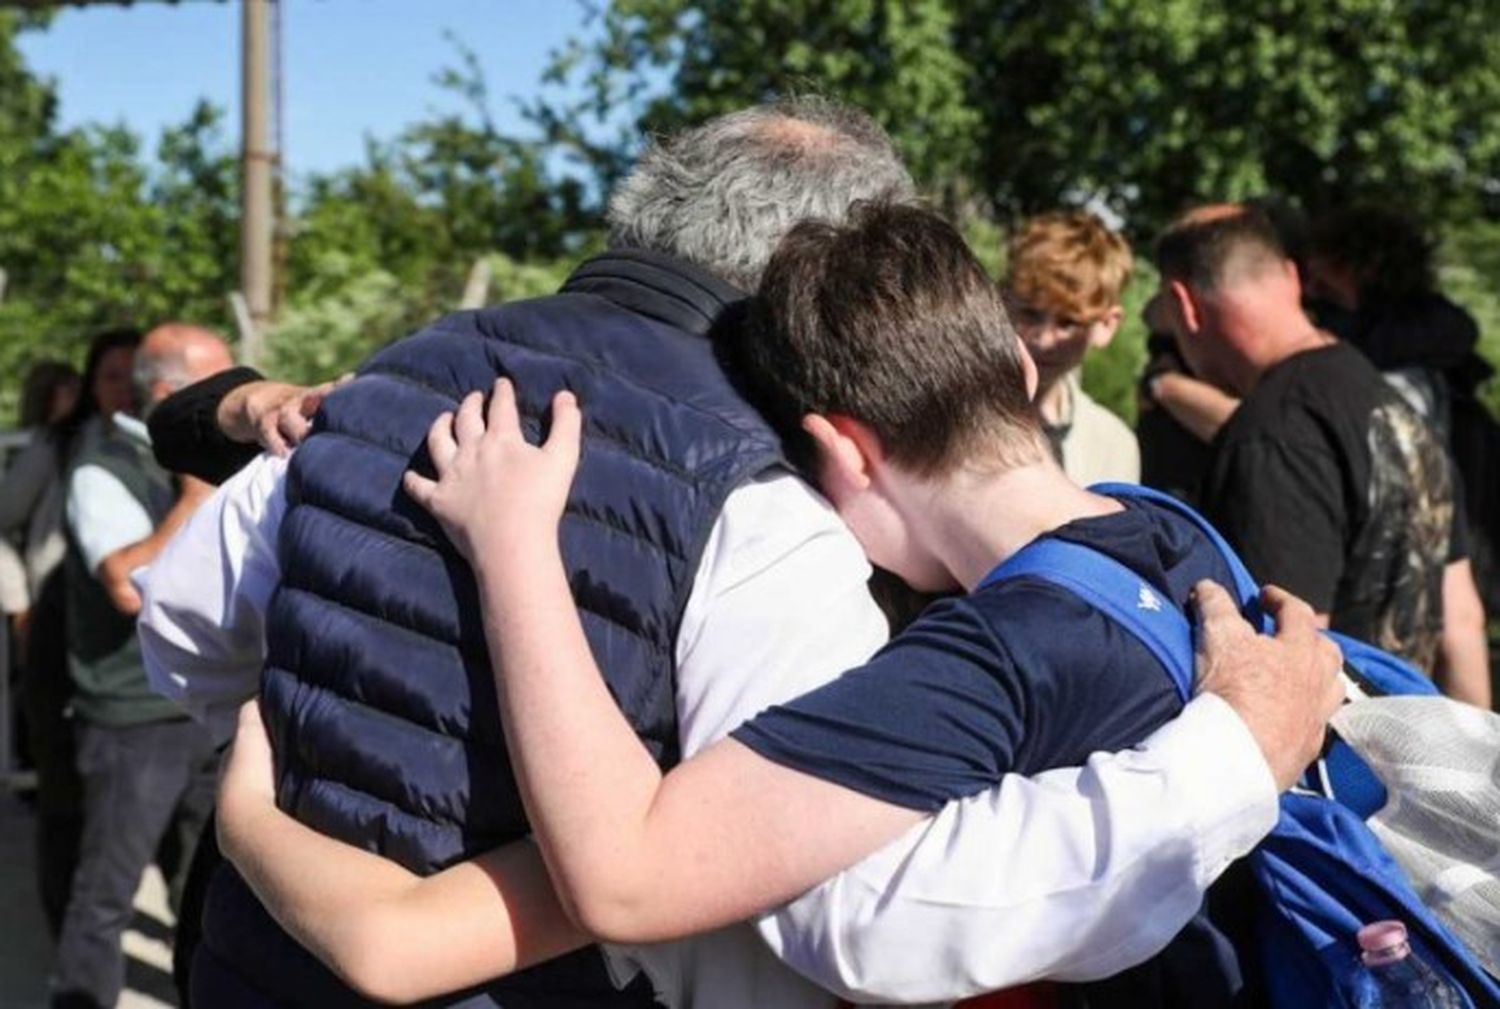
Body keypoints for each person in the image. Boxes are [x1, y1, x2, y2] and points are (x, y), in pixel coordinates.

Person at [143, 101, 1336, 1009]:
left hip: (261, 962)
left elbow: (183, 637)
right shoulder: (773, 505)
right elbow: (844, 903)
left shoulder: (385, 383)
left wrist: (275, 801)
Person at [1155, 205, 1460, 677]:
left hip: (1330, 743)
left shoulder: (1270, 434)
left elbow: (1287, 653)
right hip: (1413, 734)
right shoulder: (1395, 410)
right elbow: (1461, 619)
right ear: (1293, 278)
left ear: (1184, 305)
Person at [51, 323, 234, 1009]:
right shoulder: (104, 465)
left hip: (202, 708)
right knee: (107, 891)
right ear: (170, 393)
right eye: (223, 386)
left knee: (206, 890)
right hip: (133, 721)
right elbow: (127, 582)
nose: (239, 397)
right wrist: (195, 491)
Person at [1306, 206, 1494, 707]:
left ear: (1353, 266)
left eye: (1321, 274)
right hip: (1444, 555)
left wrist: (1172, 389)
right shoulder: (1437, 342)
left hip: (1398, 578)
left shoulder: (1386, 362)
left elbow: (1384, 455)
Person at [1004, 210, 1139, 485]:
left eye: (1068, 322)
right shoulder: (957, 416)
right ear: (1001, 300)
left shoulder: (1113, 444)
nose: (1044, 339)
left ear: (1106, 325)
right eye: (1031, 314)